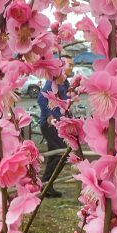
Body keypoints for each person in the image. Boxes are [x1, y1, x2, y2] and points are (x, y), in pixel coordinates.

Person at [38, 57, 72, 198]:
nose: (72, 68)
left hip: (60, 124)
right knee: (61, 154)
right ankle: (45, 182)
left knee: (55, 155)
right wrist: (49, 115)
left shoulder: (65, 83)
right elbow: (41, 98)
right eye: (70, 65)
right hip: (50, 124)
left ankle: (47, 186)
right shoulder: (52, 81)